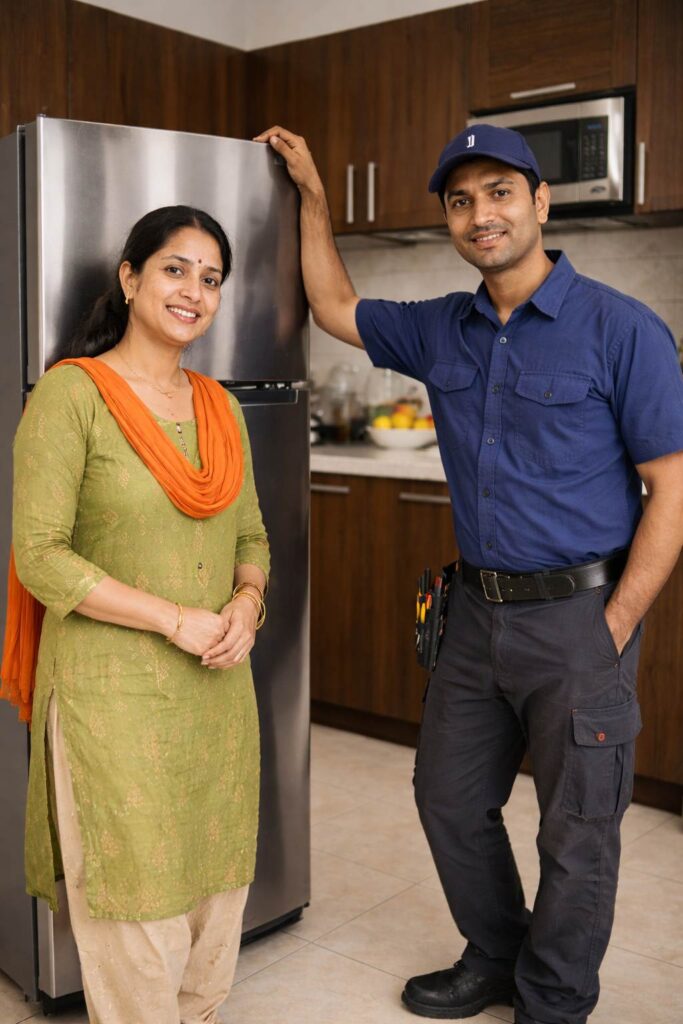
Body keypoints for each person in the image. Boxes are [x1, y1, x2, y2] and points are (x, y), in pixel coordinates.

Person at [254, 123, 683, 1024]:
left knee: (576, 830)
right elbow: (334, 305)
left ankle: (553, 1001)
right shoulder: (439, 328)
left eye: (498, 193)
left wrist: (614, 625)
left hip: (580, 617)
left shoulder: (621, 329)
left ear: (539, 202)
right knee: (447, 797)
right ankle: (495, 954)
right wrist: (316, 198)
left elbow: (670, 491)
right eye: (460, 201)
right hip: (474, 616)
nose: (480, 215)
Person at [2, 205, 270, 1024]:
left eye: (212, 278)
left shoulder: (220, 407)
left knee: (215, 884)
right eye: (175, 269)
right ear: (130, 278)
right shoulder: (69, 394)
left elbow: (251, 533)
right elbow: (39, 555)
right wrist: (173, 619)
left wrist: (249, 604)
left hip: (217, 686)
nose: (195, 290)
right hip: (108, 693)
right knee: (135, 889)